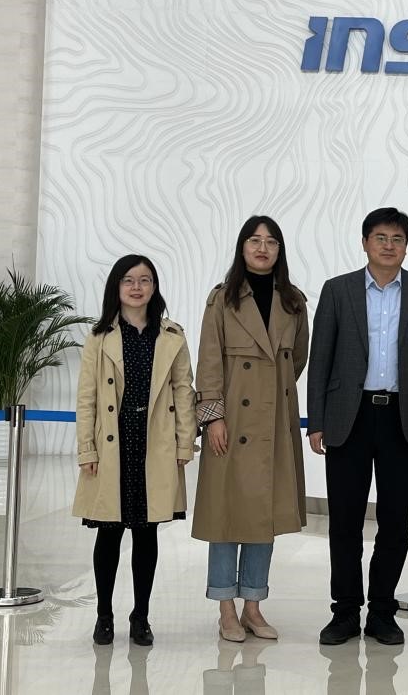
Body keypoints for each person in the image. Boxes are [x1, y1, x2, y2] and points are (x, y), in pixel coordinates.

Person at [307, 207, 408, 646]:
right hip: (350, 416)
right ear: (365, 242)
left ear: (407, 246)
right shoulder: (338, 290)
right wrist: (317, 421)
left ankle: (382, 611)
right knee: (345, 520)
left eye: (397, 238)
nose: (388, 245)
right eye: (380, 237)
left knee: (396, 520)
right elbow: (320, 359)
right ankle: (345, 611)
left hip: (402, 417)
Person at [192, 215, 310, 643]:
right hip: (231, 422)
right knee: (226, 516)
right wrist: (213, 417)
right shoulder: (221, 299)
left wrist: (271, 394)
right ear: (242, 247)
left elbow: (298, 358)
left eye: (271, 242)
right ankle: (226, 608)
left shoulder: (293, 302)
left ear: (280, 251)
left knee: (265, 515)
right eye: (255, 240)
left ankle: (254, 606)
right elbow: (208, 360)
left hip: (273, 423)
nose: (263, 248)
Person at [73, 254, 196, 647]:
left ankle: (141, 616)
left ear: (154, 287)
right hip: (113, 443)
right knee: (108, 533)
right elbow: (87, 398)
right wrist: (86, 449)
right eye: (129, 280)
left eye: (145, 280)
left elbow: (184, 391)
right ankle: (104, 615)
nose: (137, 287)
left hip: (154, 444)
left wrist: (184, 442)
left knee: (147, 534)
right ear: (117, 287)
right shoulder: (99, 338)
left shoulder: (171, 335)